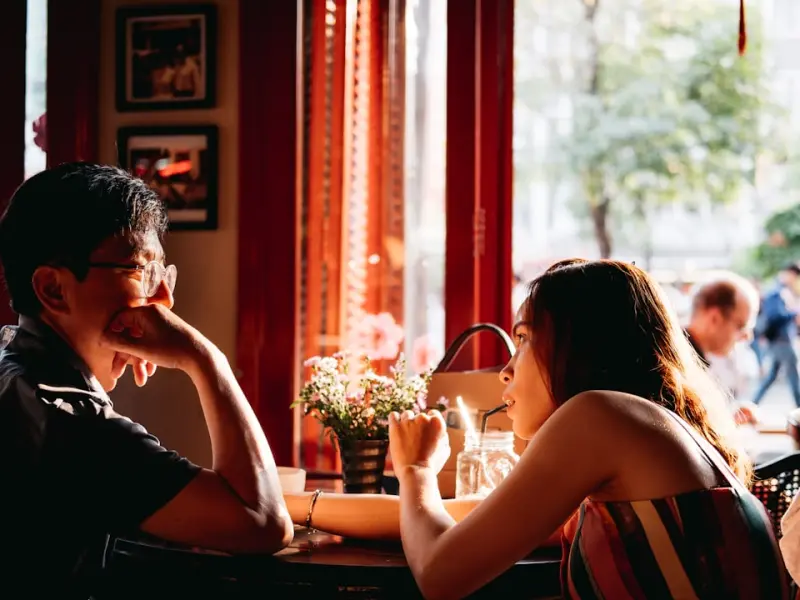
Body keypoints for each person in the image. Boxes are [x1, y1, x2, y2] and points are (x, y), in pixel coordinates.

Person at [284, 259, 788, 599]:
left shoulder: (599, 416)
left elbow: (442, 574)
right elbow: (456, 517)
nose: (505, 368)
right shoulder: (641, 430)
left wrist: (416, 468)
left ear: (581, 348)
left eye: (523, 339)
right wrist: (286, 504)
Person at [0, 163, 293, 598]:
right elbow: (262, 521)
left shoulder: (13, 361)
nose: (164, 301)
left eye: (162, 275)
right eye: (140, 271)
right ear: (54, 290)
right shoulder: (71, 423)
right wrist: (207, 360)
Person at [685, 274, 760, 424]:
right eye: (741, 326)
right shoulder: (678, 365)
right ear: (714, 318)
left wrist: (728, 419)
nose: (747, 336)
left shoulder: (685, 353)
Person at [752, 263, 800, 408]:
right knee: (793, 374)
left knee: (772, 376)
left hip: (782, 339)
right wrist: (794, 313)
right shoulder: (776, 293)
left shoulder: (784, 291)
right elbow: (774, 316)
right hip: (780, 340)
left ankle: (752, 403)